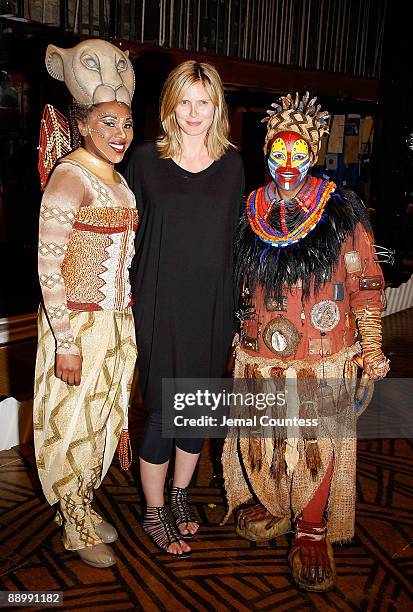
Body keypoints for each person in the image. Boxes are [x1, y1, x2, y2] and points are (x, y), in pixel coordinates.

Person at [221, 92, 389, 591]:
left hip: (322, 354)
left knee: (314, 442)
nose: (287, 164)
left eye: (298, 153)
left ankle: (310, 526)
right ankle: (272, 503)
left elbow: (365, 282)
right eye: (278, 152)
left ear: (313, 153)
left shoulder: (340, 210)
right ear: (267, 152)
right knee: (263, 437)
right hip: (257, 353)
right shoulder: (250, 207)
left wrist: (372, 346)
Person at [125, 60, 244, 557]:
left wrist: (240, 314)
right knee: (163, 414)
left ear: (216, 106)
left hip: (212, 306)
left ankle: (178, 497)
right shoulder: (145, 159)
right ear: (170, 105)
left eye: (204, 102)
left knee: (195, 411)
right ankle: (153, 511)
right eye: (184, 101)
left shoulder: (233, 163)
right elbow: (123, 234)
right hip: (158, 302)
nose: (193, 113)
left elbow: (237, 243)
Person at [34, 40, 138, 568]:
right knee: (70, 422)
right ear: (83, 124)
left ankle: (82, 501)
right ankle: (73, 522)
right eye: (108, 124)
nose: (120, 135)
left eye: (125, 123)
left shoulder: (118, 182)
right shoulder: (69, 176)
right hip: (77, 324)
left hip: (117, 323)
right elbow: (49, 269)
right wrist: (67, 343)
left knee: (100, 419)